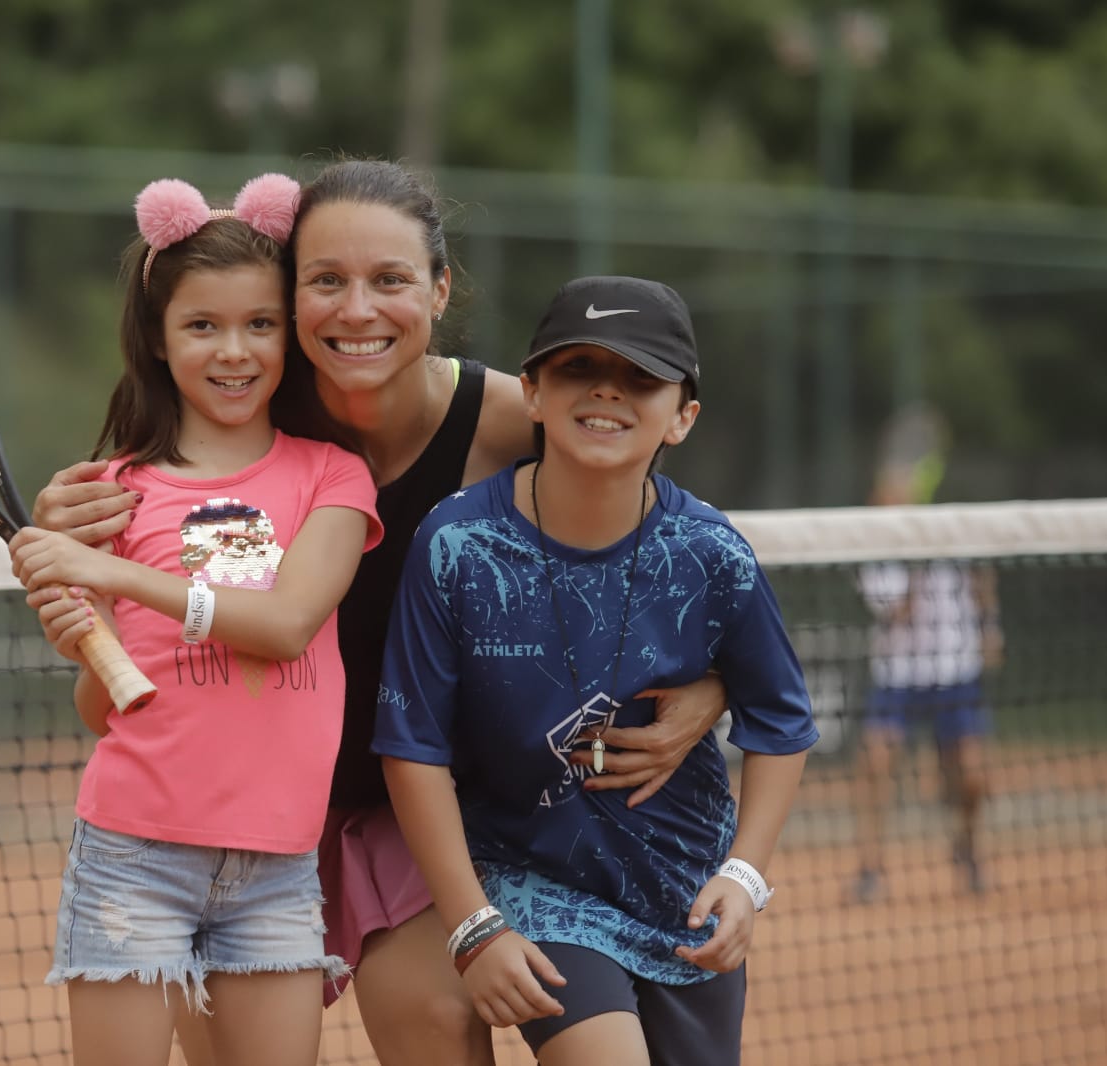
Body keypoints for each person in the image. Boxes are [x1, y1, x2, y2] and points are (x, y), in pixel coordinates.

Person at [31, 160, 732, 1066]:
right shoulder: (232, 424)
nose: (357, 311)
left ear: (440, 290)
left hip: (448, 808)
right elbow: (142, 665)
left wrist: (715, 684)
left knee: (439, 1012)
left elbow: (690, 557)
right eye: (325, 282)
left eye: (390, 280)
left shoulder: (517, 420)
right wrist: (79, 558)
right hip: (255, 812)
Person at [374, 275, 819, 1066]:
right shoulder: (457, 546)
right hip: (532, 882)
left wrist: (746, 875)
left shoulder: (711, 555)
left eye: (642, 377)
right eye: (578, 367)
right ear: (534, 393)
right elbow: (413, 747)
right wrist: (477, 924)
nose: (608, 389)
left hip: (682, 893)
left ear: (682, 417)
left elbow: (780, 720)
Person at [8, 172, 383, 1066]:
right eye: (202, 326)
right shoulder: (107, 497)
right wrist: (86, 650)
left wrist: (113, 578)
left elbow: (289, 624)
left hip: (278, 865)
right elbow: (106, 714)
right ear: (159, 338)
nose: (234, 352)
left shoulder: (334, 475)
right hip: (134, 857)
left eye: (259, 324)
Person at [849, 443, 1003, 903]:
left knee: (974, 777)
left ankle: (968, 849)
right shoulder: (867, 552)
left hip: (956, 668)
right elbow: (897, 612)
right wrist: (917, 559)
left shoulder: (945, 530)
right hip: (898, 676)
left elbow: (982, 575)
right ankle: (870, 869)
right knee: (876, 761)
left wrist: (991, 626)